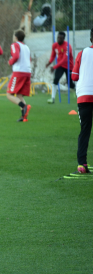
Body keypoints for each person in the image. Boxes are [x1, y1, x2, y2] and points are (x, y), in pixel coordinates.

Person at [71, 28, 93, 174]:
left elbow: (74, 76)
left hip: (84, 95)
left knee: (85, 130)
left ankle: (81, 164)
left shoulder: (82, 53)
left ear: (91, 38)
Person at [6, 30, 32, 122]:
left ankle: (23, 106)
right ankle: (24, 117)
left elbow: (16, 56)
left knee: (9, 94)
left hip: (19, 72)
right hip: (27, 72)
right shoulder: (26, 47)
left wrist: (10, 62)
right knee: (19, 95)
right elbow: (30, 59)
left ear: (16, 37)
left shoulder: (15, 45)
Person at [45, 31, 74, 104]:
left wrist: (54, 67)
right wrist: (49, 63)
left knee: (70, 84)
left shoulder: (67, 46)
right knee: (56, 79)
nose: (59, 39)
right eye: (58, 37)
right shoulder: (55, 45)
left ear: (64, 39)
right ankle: (52, 98)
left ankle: (78, 92)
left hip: (68, 66)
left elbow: (65, 59)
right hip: (60, 66)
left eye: (61, 38)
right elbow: (53, 55)